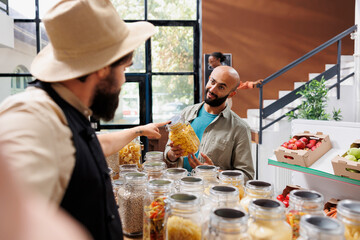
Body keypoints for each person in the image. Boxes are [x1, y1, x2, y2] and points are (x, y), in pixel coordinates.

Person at [0, 0, 167, 239]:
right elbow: (11, 216)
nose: (124, 80)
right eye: (124, 68)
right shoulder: (32, 114)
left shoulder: (65, 113)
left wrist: (138, 130)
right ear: (102, 67)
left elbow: (90, 147)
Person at [165, 66, 255, 181]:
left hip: (213, 195)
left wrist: (214, 172)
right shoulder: (186, 113)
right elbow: (168, 153)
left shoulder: (240, 128)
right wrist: (172, 154)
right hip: (181, 188)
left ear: (231, 94)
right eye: (212, 81)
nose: (212, 89)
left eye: (221, 87)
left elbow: (247, 175)